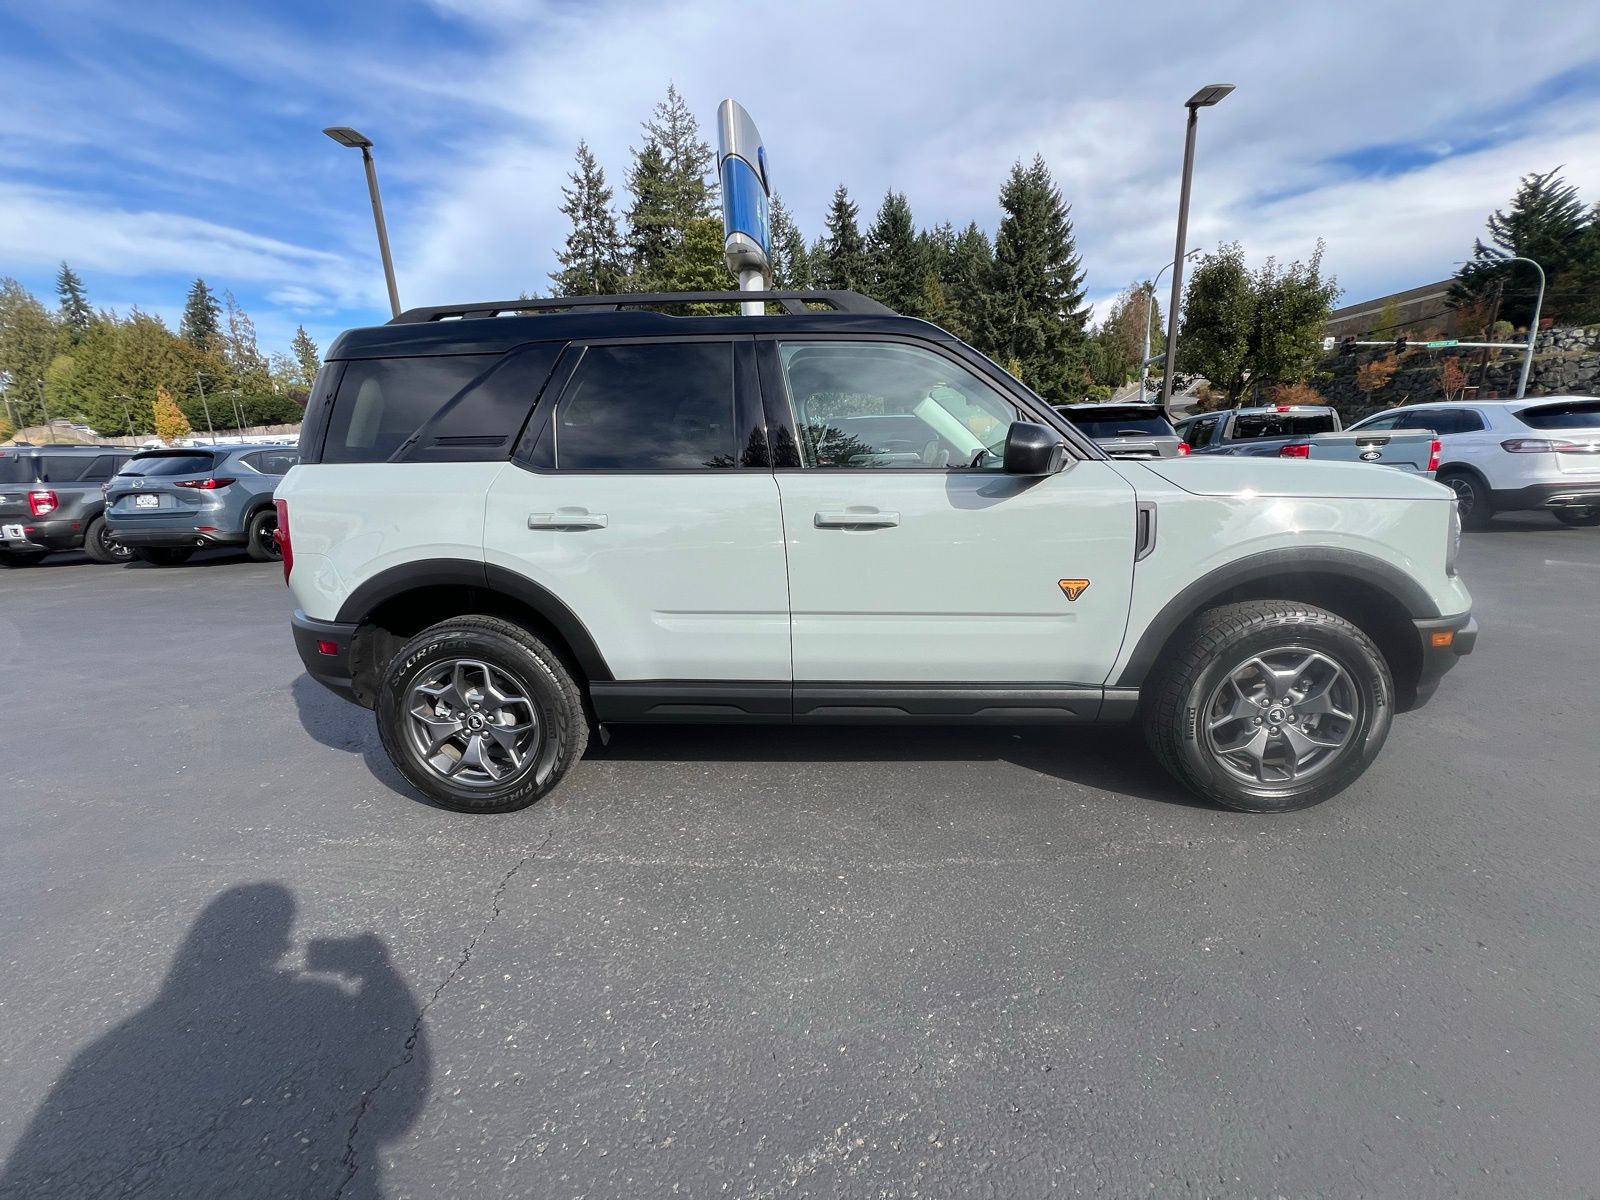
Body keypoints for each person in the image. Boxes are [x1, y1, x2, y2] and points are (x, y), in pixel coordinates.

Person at [0, 883, 428, 1199]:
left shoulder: (101, 1053)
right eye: (282, 932)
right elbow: (398, 1112)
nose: (286, 942)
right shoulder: (314, 996)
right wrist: (378, 973)